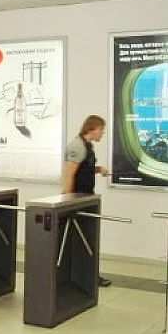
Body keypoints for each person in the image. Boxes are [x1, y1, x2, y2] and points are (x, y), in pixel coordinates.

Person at [62, 115, 111, 287]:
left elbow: (83, 168)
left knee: (88, 238)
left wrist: (98, 169)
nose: (102, 133)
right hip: (77, 199)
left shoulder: (88, 146)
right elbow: (69, 174)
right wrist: (67, 201)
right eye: (101, 129)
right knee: (81, 240)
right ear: (93, 128)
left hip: (86, 198)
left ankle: (89, 276)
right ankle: (82, 276)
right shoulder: (78, 146)